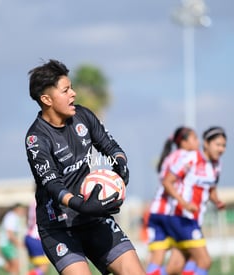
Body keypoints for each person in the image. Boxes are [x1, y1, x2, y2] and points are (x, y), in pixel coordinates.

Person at [24, 59, 145, 275]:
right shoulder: (36, 138)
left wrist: (121, 163)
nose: (74, 94)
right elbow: (52, 184)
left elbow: (109, 146)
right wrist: (81, 204)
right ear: (46, 99)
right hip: (58, 227)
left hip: (93, 218)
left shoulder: (83, 116)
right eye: (66, 90)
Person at [161, 126, 227, 275]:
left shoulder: (217, 166)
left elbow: (210, 189)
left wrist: (217, 201)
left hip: (195, 220)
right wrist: (184, 203)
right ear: (206, 143)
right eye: (217, 144)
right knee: (204, 261)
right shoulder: (191, 159)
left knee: (175, 267)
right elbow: (167, 182)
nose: (221, 149)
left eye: (224, 145)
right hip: (182, 217)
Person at [145, 126, 200, 275]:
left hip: (156, 210)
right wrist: (185, 203)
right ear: (183, 142)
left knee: (157, 258)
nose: (198, 142)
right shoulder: (187, 157)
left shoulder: (169, 157)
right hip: (171, 212)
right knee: (195, 254)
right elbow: (169, 182)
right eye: (195, 138)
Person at [0, 203, 27, 275]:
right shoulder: (11, 217)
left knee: (12, 267)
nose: (24, 212)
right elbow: (10, 234)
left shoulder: (15, 217)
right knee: (16, 266)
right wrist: (19, 244)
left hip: (9, 244)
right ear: (17, 209)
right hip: (7, 244)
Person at [25, 199, 50, 275]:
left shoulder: (33, 202)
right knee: (43, 267)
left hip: (30, 236)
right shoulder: (42, 201)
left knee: (38, 267)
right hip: (36, 238)